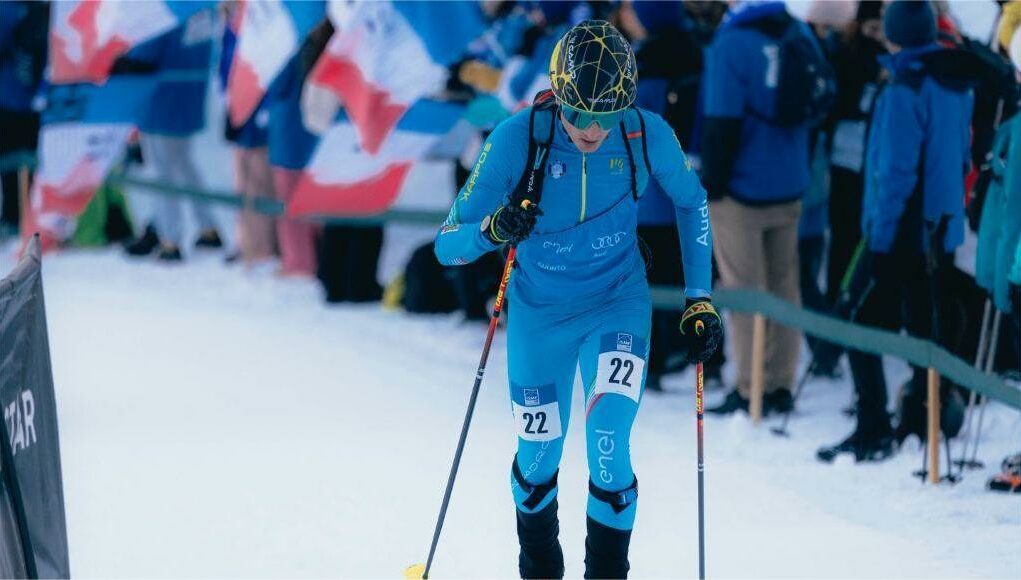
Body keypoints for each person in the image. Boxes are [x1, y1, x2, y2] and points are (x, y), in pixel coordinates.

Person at [434, 21, 722, 578]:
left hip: (617, 303)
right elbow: (448, 244)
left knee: (609, 443)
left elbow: (693, 202)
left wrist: (699, 298)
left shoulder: (644, 134)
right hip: (540, 316)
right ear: (558, 94)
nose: (591, 129)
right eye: (578, 113)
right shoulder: (518, 139)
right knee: (538, 457)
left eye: (606, 116)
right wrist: (493, 230)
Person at [818, 1, 976, 462]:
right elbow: (961, 158)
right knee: (924, 324)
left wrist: (880, 235)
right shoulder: (953, 82)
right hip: (939, 228)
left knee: (859, 320)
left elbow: (895, 174)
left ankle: (874, 428)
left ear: (894, 35)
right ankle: (921, 414)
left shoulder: (905, 88)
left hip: (903, 230)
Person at [701, 1, 826, 416]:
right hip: (790, 182)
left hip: (742, 188)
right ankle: (779, 385)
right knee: (785, 287)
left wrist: (711, 186)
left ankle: (750, 388)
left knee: (745, 291)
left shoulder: (732, 43)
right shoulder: (798, 31)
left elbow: (721, 122)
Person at [124, 10, 222, 262]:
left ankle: (170, 238)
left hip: (162, 94)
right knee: (182, 164)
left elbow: (147, 48)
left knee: (163, 170)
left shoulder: (165, 9)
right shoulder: (203, 8)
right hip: (189, 90)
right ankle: (207, 226)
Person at [0, 1, 47, 237]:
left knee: (16, 159)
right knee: (25, 158)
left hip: (15, 93)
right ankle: (25, 217)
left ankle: (19, 217)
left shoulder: (8, 8)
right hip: (31, 94)